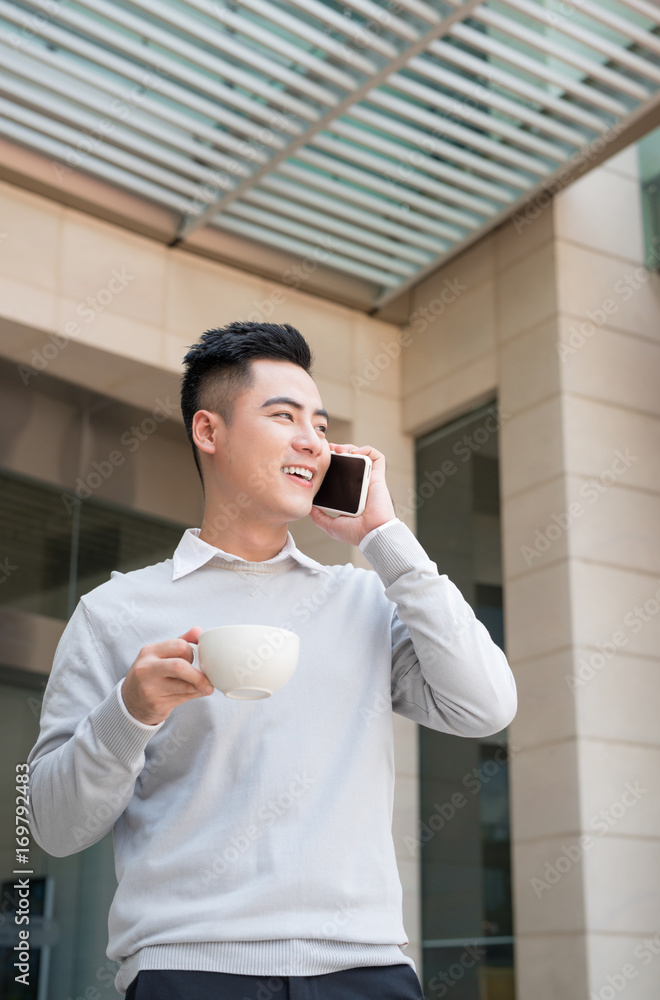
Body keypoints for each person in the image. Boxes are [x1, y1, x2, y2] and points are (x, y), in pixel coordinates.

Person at [27, 321, 517, 1000]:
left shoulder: (363, 597)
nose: (311, 440)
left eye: (318, 423)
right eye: (282, 416)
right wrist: (129, 714)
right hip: (188, 969)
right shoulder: (116, 611)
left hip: (364, 969)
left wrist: (384, 539)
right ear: (209, 431)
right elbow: (53, 826)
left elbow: (485, 706)